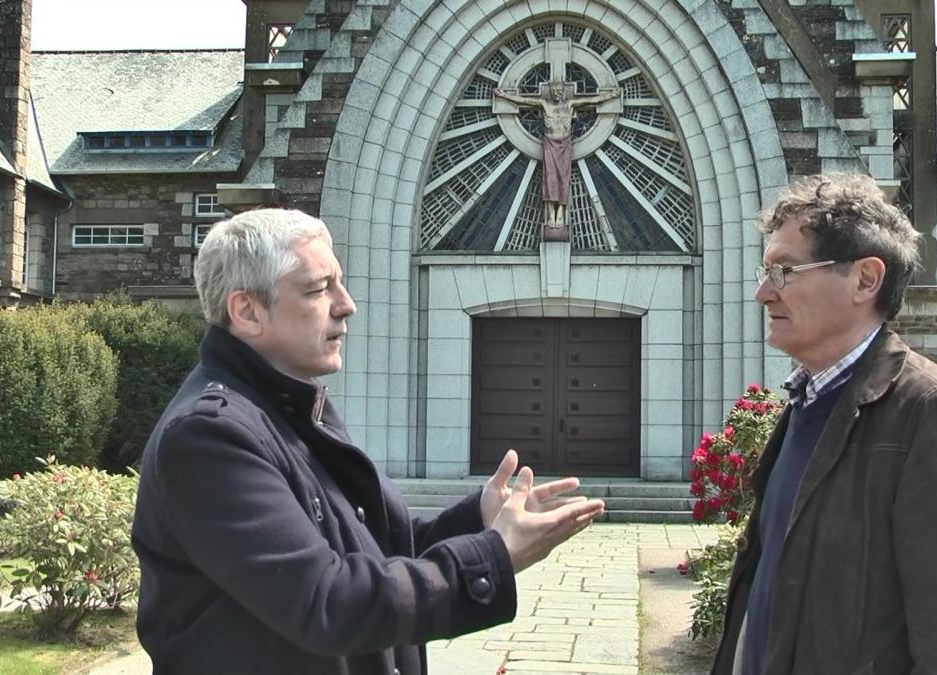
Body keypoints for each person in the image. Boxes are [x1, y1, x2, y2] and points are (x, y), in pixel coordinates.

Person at [131, 208, 605, 674]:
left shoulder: (288, 408)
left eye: (339, 282)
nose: (346, 304)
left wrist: (479, 519)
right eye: (319, 289)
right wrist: (492, 557)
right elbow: (328, 602)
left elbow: (372, 550)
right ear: (248, 311)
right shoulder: (209, 437)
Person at [711, 174, 937, 675]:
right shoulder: (804, 403)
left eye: (785, 271)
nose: (764, 293)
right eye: (766, 273)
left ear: (866, 280)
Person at [494, 81, 620, 233]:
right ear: (551, 91)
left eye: (559, 90)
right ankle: (551, 214)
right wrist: (505, 96)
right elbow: (524, 100)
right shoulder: (544, 104)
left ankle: (560, 211)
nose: (556, 93)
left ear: (563, 92)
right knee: (549, 177)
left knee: (563, 176)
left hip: (565, 143)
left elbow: (591, 100)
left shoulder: (570, 104)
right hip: (550, 143)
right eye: (554, 90)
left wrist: (610, 96)